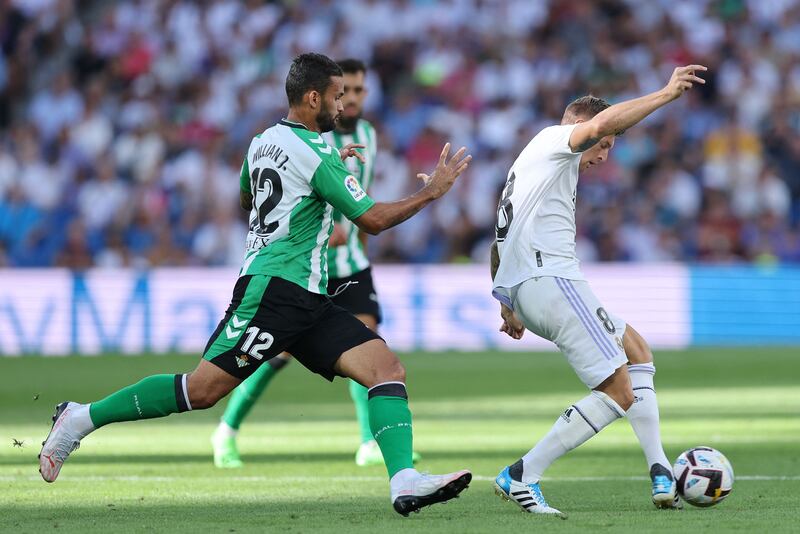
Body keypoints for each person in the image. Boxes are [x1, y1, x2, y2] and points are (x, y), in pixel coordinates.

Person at [38, 52, 473, 517]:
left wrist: (315, 181)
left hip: (306, 296)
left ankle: (404, 480)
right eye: (336, 96)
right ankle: (79, 419)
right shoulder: (316, 152)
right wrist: (433, 190)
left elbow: (249, 195)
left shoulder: (263, 141)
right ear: (312, 98)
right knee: (202, 390)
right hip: (274, 290)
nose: (342, 106)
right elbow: (373, 221)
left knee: (385, 369)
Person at [490, 65, 707, 516]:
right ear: (579, 128)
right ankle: (522, 474)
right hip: (552, 281)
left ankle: (660, 471)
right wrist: (666, 94)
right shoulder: (556, 139)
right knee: (618, 390)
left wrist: (507, 303)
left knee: (637, 350)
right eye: (603, 145)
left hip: (531, 286)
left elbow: (499, 242)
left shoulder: (529, 165)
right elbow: (601, 123)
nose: (605, 155)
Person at [211, 58, 420, 469]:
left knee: (369, 341)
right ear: (319, 96)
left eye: (358, 92)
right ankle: (228, 427)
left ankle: (368, 442)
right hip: (302, 267)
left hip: (350, 260)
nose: (352, 100)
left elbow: (354, 190)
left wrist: (345, 226)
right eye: (345, 92)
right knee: (275, 356)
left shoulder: (367, 135)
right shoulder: (300, 140)